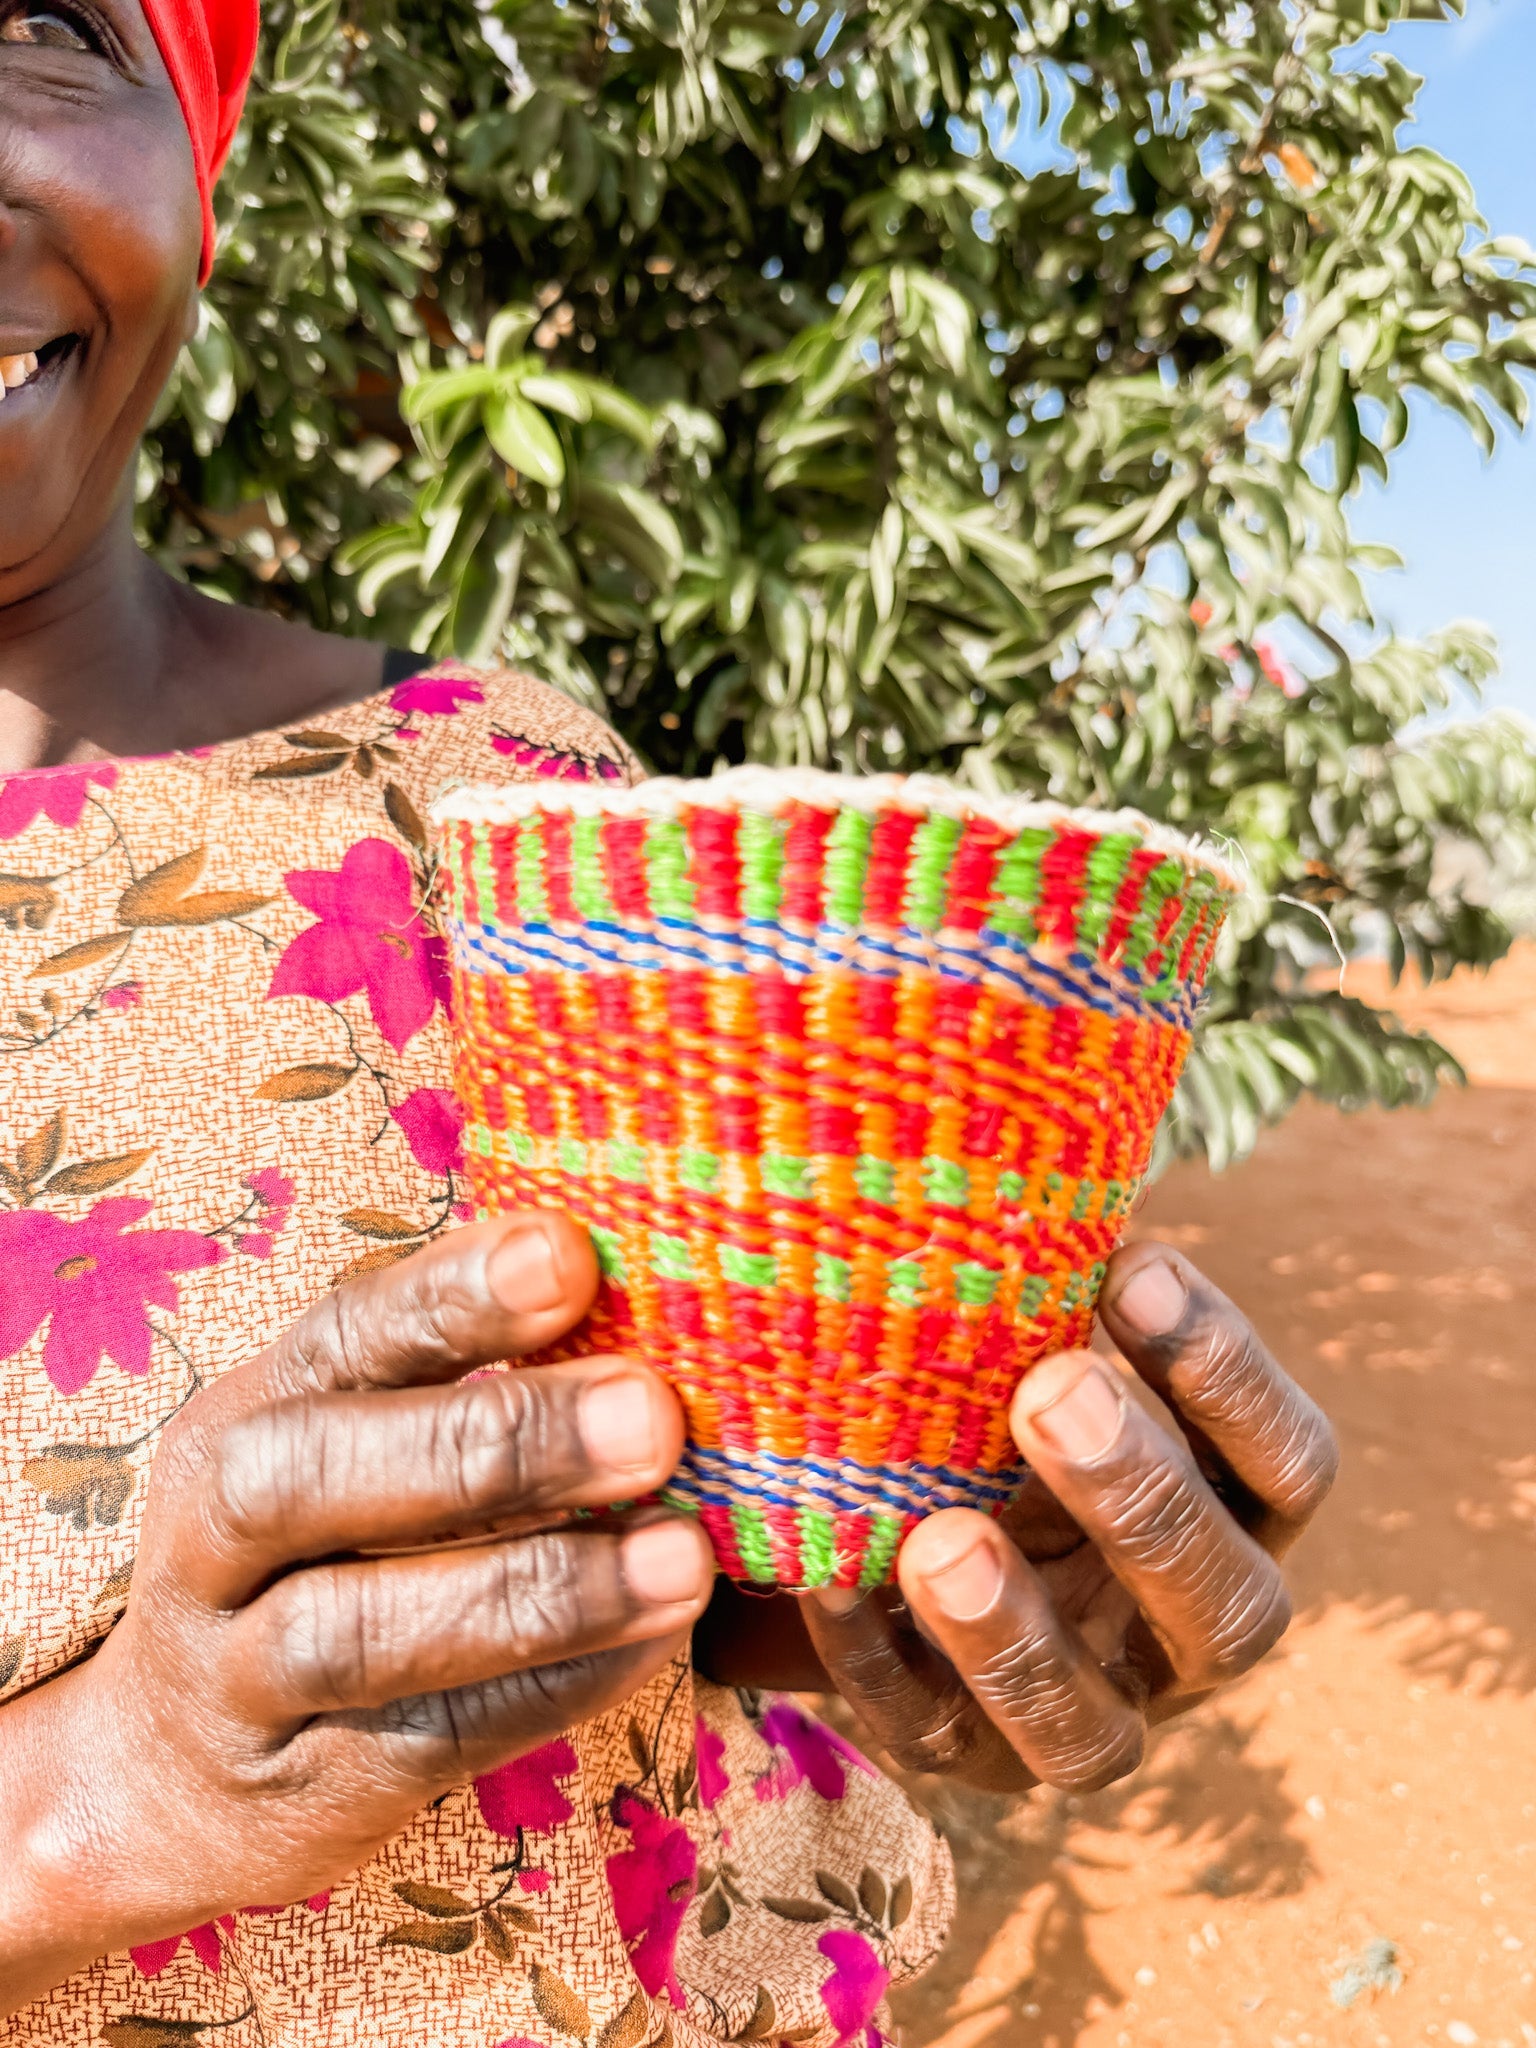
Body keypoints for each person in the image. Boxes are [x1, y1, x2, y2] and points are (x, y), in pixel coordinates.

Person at [0, 0, 1339, 2039]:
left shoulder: (506, 807)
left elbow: (689, 1559)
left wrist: (888, 1593)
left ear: (202, 162)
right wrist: (96, 1791)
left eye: (42, 29)